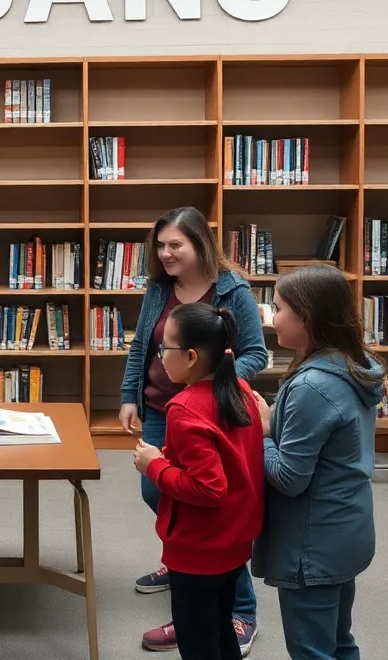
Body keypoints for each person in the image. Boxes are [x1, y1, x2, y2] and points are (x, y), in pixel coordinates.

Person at [119, 206, 268, 654]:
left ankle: (240, 608)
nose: (165, 253)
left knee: (206, 500)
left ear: (200, 243)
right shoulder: (159, 287)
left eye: (175, 245)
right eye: (160, 245)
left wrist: (212, 386)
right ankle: (184, 558)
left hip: (208, 409)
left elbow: (255, 354)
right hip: (164, 407)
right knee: (157, 492)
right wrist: (130, 394)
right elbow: (142, 346)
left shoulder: (231, 289)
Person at [250, 265, 384, 660]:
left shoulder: (313, 386)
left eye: (277, 308)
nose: (270, 318)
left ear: (305, 318)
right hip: (347, 529)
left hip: (314, 543)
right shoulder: (355, 365)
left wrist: (263, 433)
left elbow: (289, 478)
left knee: (312, 650)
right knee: (340, 642)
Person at [133, 304, 264, 659]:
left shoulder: (184, 407)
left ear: (190, 356)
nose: (159, 358)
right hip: (234, 541)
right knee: (220, 629)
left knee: (198, 643)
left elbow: (208, 488)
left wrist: (154, 466)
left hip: (198, 549)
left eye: (165, 348)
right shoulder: (239, 388)